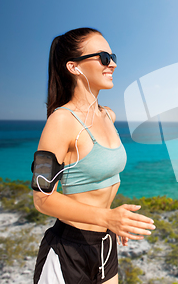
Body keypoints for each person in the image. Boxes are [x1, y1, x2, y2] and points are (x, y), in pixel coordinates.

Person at [32, 27, 155, 284]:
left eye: (113, 57)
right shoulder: (61, 121)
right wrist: (108, 217)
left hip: (105, 244)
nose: (112, 64)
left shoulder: (108, 115)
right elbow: (42, 199)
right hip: (69, 249)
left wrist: (110, 222)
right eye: (103, 57)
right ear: (74, 67)